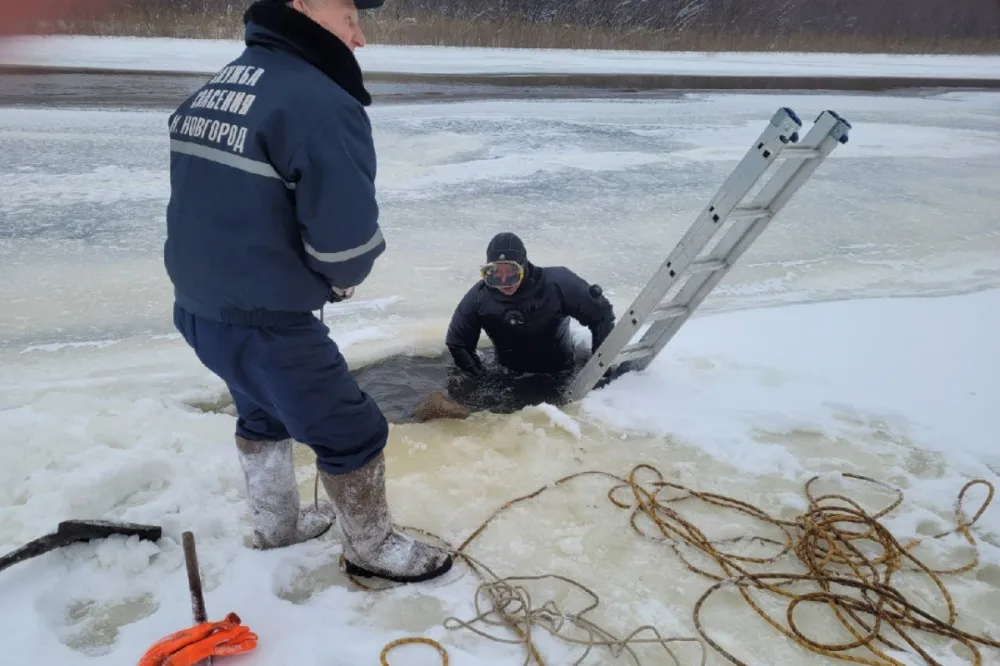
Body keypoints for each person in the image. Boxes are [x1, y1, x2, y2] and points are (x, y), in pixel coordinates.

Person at [163, 0, 452, 585]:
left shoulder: (215, 89)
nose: (360, 37)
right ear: (301, 5)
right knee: (354, 431)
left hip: (198, 309)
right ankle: (372, 548)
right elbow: (345, 247)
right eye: (350, 15)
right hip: (267, 319)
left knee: (262, 411)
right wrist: (343, 280)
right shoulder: (320, 106)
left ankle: (278, 527)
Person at [445, 232, 616, 386]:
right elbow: (457, 342)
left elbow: (601, 314)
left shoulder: (557, 284)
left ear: (523, 265)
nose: (504, 281)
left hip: (560, 374)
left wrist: (601, 369)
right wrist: (483, 380)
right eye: (496, 272)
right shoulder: (479, 296)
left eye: (511, 271)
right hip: (509, 376)